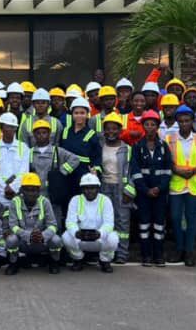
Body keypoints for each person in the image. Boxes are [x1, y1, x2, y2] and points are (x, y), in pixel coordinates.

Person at [166, 105, 196, 267]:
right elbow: (166, 160)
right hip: (177, 184)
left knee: (192, 218)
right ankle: (179, 249)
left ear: (192, 121)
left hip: (194, 184)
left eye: (187, 121)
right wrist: (177, 170)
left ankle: (189, 251)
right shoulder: (170, 139)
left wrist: (192, 171)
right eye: (181, 121)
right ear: (177, 122)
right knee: (176, 218)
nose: (184, 123)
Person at [127, 110, 171, 267]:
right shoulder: (137, 146)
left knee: (159, 225)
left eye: (153, 124)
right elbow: (136, 171)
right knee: (144, 224)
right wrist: (146, 190)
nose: (150, 127)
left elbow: (167, 171)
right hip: (143, 194)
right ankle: (145, 255)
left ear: (158, 126)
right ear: (143, 126)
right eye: (147, 124)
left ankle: (158, 255)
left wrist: (159, 188)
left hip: (160, 193)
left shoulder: (164, 146)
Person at [0, 112, 30, 263]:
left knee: (20, 223)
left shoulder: (23, 147)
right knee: (1, 225)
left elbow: (24, 172)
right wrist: (5, 187)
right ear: (1, 127)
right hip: (0, 194)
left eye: (13, 127)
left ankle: (19, 254)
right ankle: (1, 254)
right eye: (7, 127)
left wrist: (13, 187)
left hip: (17, 194)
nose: (10, 130)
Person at [3, 173, 61, 274]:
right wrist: (29, 236)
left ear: (39, 191)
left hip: (42, 241)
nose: (30, 193)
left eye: (33, 190)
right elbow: (13, 226)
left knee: (56, 240)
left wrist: (42, 236)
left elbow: (53, 225)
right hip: (23, 242)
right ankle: (13, 263)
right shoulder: (15, 202)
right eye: (27, 190)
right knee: (11, 239)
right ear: (22, 190)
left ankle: (54, 262)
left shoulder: (45, 202)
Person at [62, 173, 117, 272]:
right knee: (66, 236)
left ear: (98, 188)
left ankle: (105, 261)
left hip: (99, 238)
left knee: (113, 238)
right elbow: (70, 222)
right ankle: (78, 259)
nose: (89, 191)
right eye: (86, 188)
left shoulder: (105, 200)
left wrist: (100, 233)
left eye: (92, 188)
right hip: (80, 238)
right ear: (82, 189)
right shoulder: (75, 200)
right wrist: (76, 233)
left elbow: (109, 224)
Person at [99, 113, 132, 264]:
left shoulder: (128, 149)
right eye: (108, 129)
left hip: (121, 188)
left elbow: (132, 172)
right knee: (104, 221)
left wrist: (129, 191)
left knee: (122, 221)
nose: (111, 131)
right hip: (103, 188)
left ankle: (122, 254)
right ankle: (106, 252)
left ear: (120, 130)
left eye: (114, 129)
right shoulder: (100, 146)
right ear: (103, 130)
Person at [59, 97, 103, 206]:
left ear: (87, 114)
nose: (79, 116)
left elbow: (97, 157)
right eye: (76, 113)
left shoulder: (92, 135)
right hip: (66, 177)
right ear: (72, 114)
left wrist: (95, 171)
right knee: (66, 204)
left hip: (83, 176)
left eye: (82, 113)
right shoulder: (65, 132)